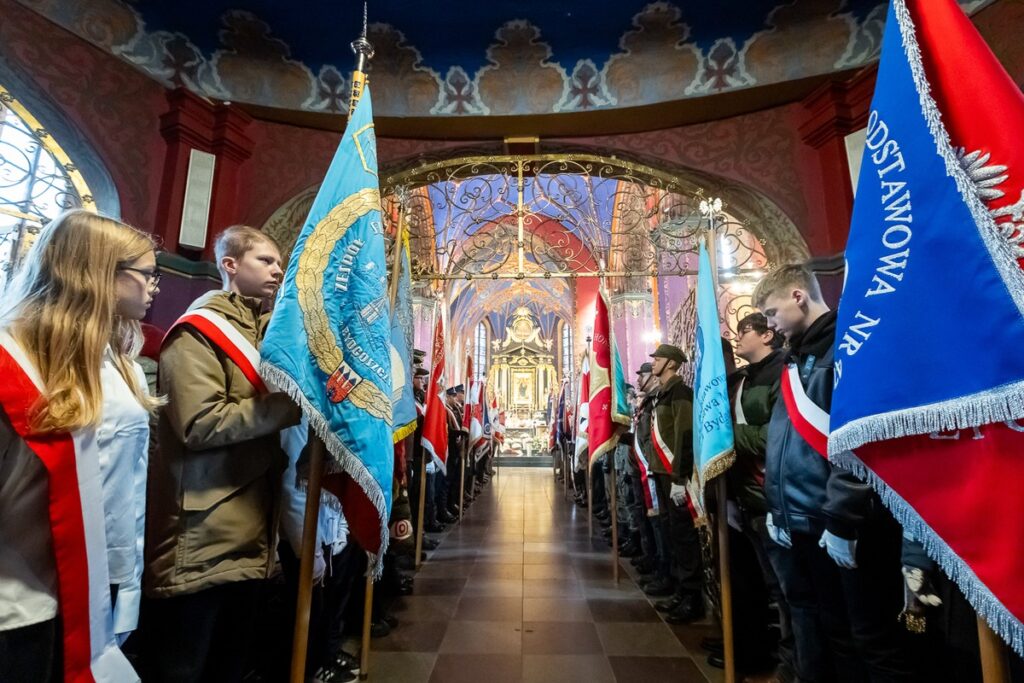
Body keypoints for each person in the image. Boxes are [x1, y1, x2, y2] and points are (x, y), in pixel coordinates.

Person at [0, 209, 162, 681]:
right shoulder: (15, 360)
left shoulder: (121, 362)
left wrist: (122, 578)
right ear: (97, 272)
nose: (154, 285)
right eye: (147, 273)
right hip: (19, 599)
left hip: (94, 584)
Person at [143, 225, 302, 682]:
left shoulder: (263, 333)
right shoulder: (198, 332)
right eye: (265, 261)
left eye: (278, 262)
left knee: (230, 666)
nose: (277, 269)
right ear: (229, 265)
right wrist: (288, 406)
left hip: (250, 530)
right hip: (202, 533)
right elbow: (200, 423)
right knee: (186, 665)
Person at [753, 264, 912, 683]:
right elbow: (782, 440)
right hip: (805, 521)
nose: (769, 325)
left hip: (846, 521)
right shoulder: (796, 358)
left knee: (872, 638)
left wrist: (843, 515)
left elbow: (860, 438)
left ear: (798, 296)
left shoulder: (849, 343)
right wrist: (777, 506)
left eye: (771, 313)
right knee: (833, 632)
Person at [646, 343, 704, 624]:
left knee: (683, 536)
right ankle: (681, 590)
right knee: (671, 532)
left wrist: (680, 478)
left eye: (657, 359)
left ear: (670, 362)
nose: (653, 362)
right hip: (662, 473)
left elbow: (684, 434)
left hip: (674, 476)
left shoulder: (679, 393)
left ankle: (693, 597)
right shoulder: (663, 393)